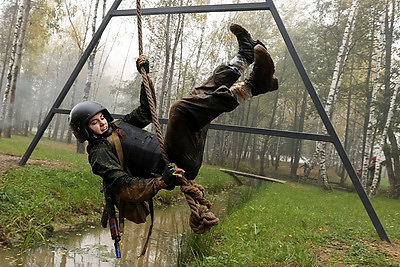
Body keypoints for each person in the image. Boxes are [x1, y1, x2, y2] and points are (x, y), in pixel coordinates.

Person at [69, 24, 278, 224]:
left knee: (199, 95)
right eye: (94, 123)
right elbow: (122, 185)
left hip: (182, 149)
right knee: (180, 109)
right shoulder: (99, 152)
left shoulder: (118, 126)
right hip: (178, 165)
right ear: (85, 131)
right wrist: (162, 181)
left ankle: (244, 57)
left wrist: (144, 77)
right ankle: (253, 86)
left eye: (102, 118)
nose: (102, 123)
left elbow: (145, 112)